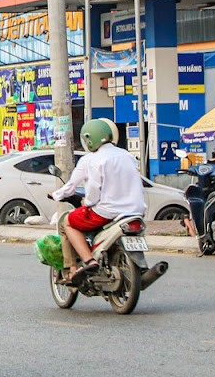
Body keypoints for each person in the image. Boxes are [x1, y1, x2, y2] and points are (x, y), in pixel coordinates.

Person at [36, 118, 145, 283]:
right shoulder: (127, 155)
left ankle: (89, 261)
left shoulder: (94, 159)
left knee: (68, 222)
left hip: (107, 211)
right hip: (135, 210)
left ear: (89, 139)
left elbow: (91, 191)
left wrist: (85, 203)